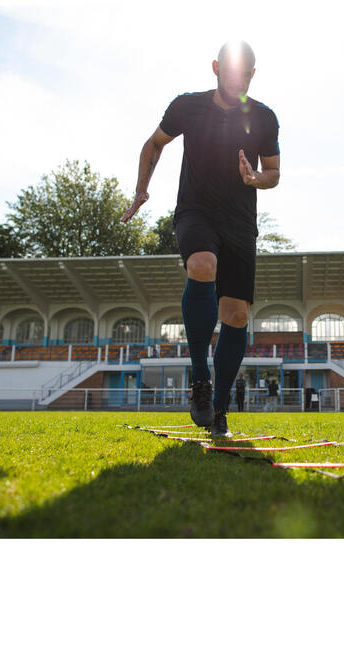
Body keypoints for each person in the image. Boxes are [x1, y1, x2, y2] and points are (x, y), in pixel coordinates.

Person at [121, 41, 280, 438]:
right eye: (230, 71)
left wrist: (255, 178)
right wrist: (141, 189)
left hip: (240, 222)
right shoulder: (187, 106)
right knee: (202, 265)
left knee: (237, 315)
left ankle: (220, 409)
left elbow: (274, 173)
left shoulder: (264, 118)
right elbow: (154, 143)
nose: (237, 79)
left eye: (245, 73)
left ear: (252, 76)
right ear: (214, 68)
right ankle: (199, 379)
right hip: (196, 211)